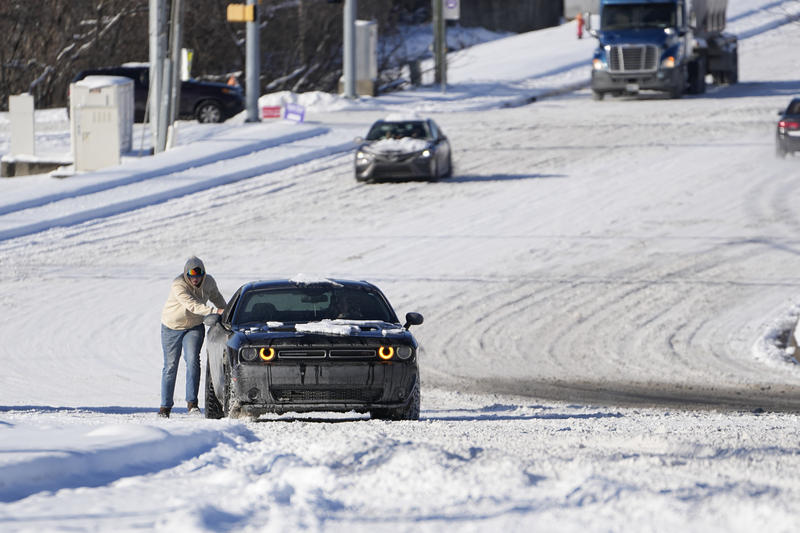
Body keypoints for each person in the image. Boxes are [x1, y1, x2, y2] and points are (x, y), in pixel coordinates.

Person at [158, 256, 226, 418]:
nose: (195, 279)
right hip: (172, 327)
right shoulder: (178, 284)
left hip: (194, 326)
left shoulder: (209, 281)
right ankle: (165, 407)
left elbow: (217, 297)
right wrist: (215, 312)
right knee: (170, 366)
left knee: (193, 361)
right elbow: (192, 305)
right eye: (191, 276)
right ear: (186, 275)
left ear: (203, 273)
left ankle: (192, 405)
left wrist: (226, 311)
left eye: (198, 275)